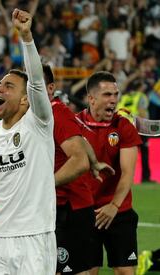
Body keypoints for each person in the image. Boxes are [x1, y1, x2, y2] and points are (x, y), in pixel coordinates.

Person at [0, 9, 56, 274]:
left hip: (35, 235)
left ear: (24, 99)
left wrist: (26, 36)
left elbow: (37, 84)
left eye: (8, 86)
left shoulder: (39, 122)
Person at [43, 64, 114, 275]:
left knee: (66, 270)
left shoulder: (56, 112)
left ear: (50, 88)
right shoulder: (43, 114)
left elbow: (77, 156)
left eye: (35, 84)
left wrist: (43, 186)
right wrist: (94, 162)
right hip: (59, 204)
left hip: (70, 206)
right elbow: (80, 138)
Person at [76, 71, 142, 275]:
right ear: (91, 98)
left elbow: (127, 173)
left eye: (115, 94)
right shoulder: (74, 125)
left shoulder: (123, 126)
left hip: (118, 211)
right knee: (88, 271)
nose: (113, 100)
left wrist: (114, 206)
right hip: (85, 211)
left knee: (124, 271)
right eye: (107, 95)